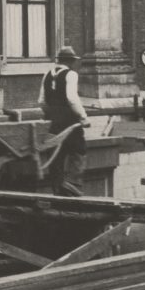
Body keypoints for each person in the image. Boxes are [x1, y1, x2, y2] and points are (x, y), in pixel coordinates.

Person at [38, 46, 91, 197]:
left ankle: (58, 189)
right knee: (79, 149)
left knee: (55, 154)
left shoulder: (47, 74)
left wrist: (52, 113)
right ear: (70, 62)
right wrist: (83, 117)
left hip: (51, 122)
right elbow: (72, 99)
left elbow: (41, 101)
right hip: (69, 121)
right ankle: (73, 183)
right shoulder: (71, 74)